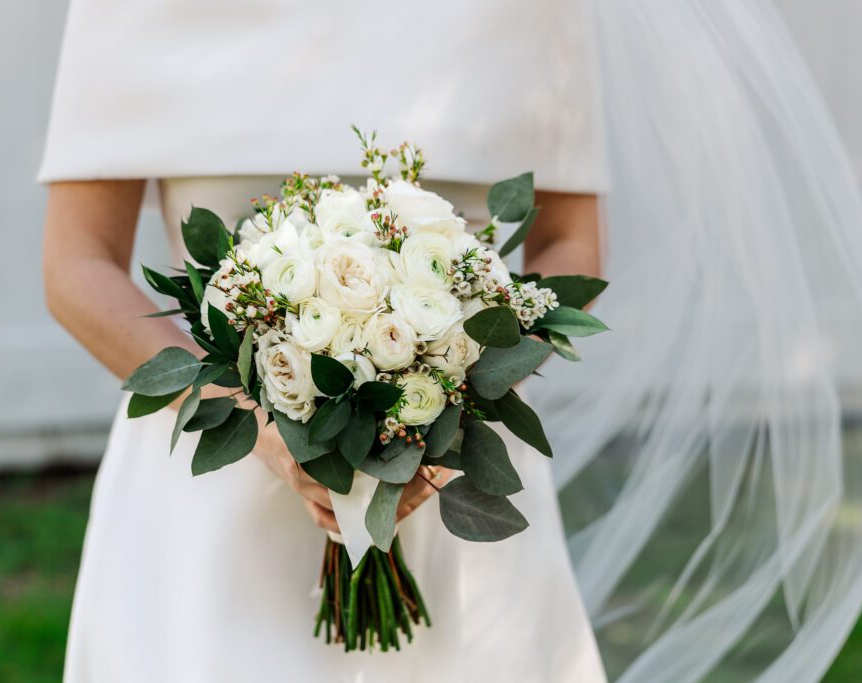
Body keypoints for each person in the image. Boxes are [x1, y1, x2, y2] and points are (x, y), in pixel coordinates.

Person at [40, 1, 609, 681]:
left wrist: (447, 408)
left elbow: (570, 244)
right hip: (214, 494)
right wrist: (255, 422)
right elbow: (76, 264)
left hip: (451, 482)